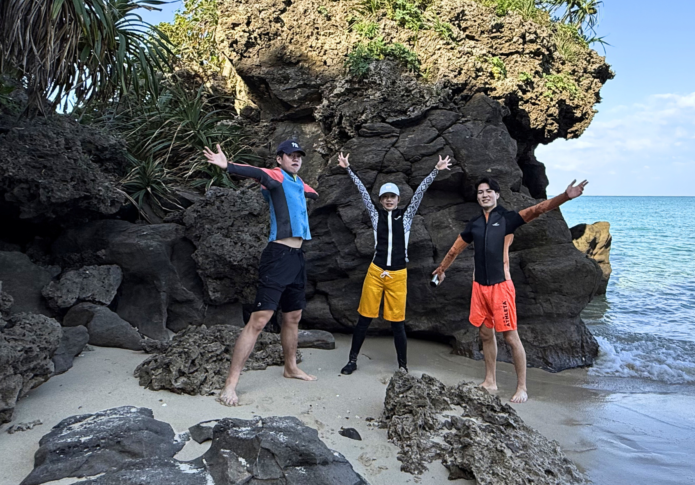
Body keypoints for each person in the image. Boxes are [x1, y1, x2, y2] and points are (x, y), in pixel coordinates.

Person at [431, 176, 588, 403]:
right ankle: (490, 381)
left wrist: (565, 197)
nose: (484, 195)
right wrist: (442, 269)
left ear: (497, 194)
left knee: (511, 337)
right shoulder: (474, 224)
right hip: (479, 288)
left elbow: (538, 209)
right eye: (480, 192)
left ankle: (522, 387)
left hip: (500, 287)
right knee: (485, 334)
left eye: (488, 191)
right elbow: (456, 249)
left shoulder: (507, 219)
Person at [202, 139, 319, 406]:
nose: (295, 158)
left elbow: (313, 194)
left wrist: (306, 195)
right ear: (279, 159)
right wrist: (227, 165)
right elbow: (255, 173)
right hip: (278, 255)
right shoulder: (275, 177)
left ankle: (290, 367)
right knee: (259, 320)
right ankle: (230, 384)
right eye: (290, 155)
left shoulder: (299, 182)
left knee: (293, 316)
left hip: (298, 257)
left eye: (298, 155)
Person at [337, 152, 453, 375]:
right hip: (375, 272)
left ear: (399, 199)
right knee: (364, 318)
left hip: (399, 275)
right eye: (385, 197)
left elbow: (420, 193)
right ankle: (352, 361)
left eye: (393, 196)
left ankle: (402, 366)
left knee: (398, 323)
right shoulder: (375, 215)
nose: (389, 200)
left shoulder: (407, 217)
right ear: (380, 200)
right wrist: (348, 169)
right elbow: (362, 193)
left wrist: (436, 171)